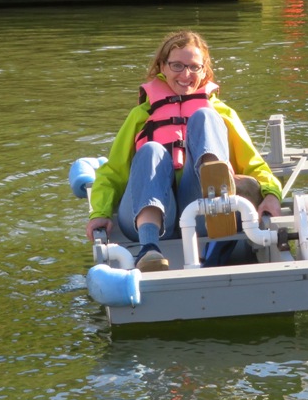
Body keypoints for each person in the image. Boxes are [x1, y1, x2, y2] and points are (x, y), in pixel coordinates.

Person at [86, 30, 283, 272]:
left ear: (205, 71)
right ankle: (149, 250)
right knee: (151, 150)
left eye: (193, 67)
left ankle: (217, 196)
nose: (185, 75)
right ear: (163, 66)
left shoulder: (221, 113)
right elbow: (112, 172)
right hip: (150, 220)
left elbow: (255, 165)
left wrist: (272, 193)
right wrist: (100, 213)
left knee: (205, 115)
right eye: (177, 65)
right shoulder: (141, 115)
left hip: (203, 211)